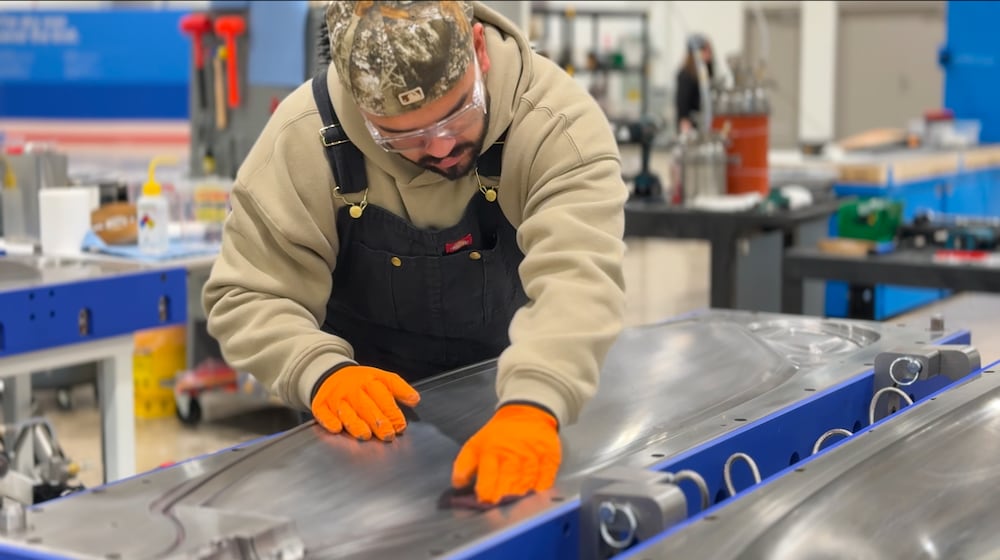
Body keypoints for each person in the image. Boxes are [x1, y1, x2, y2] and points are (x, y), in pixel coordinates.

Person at [202, 0, 628, 506]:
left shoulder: (556, 124)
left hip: (507, 405)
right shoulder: (305, 137)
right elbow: (246, 292)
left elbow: (580, 279)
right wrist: (318, 371)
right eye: (404, 137)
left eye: (457, 115)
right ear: (360, 109)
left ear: (478, 52)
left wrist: (535, 403)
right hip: (363, 438)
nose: (442, 148)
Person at [674, 33, 715, 135]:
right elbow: (682, 100)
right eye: (705, 50)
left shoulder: (705, 72)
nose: (709, 54)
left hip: (704, 121)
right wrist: (684, 120)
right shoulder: (686, 75)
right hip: (690, 124)